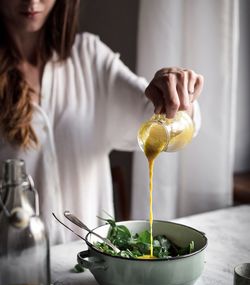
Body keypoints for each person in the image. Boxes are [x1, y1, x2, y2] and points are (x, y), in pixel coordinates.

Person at [0, 0, 204, 245]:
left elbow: (157, 118)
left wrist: (176, 94)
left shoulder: (89, 56)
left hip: (89, 272)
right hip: (12, 273)